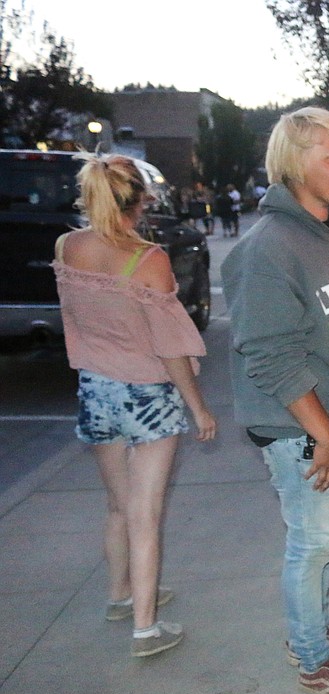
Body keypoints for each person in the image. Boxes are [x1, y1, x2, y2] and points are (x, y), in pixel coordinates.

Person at [222, 107, 329, 694]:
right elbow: (269, 354)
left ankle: (314, 629)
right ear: (298, 163)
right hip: (304, 432)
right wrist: (324, 435)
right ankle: (312, 656)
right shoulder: (267, 248)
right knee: (311, 545)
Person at [52, 153, 217, 658]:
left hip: (96, 390)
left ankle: (121, 596)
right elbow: (168, 345)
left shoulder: (67, 246)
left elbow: (72, 320)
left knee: (118, 507)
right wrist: (199, 408)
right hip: (146, 395)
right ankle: (145, 629)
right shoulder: (147, 259)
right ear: (141, 201)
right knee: (146, 514)